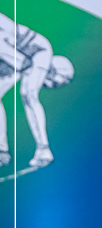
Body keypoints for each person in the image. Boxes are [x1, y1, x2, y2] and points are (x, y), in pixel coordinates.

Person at [0, 12, 74, 169]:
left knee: (28, 94)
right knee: (27, 94)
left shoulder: (39, 57)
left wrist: (20, 63)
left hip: (22, 53)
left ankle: (41, 149)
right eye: (54, 83)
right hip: (16, 53)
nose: (47, 85)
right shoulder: (39, 52)